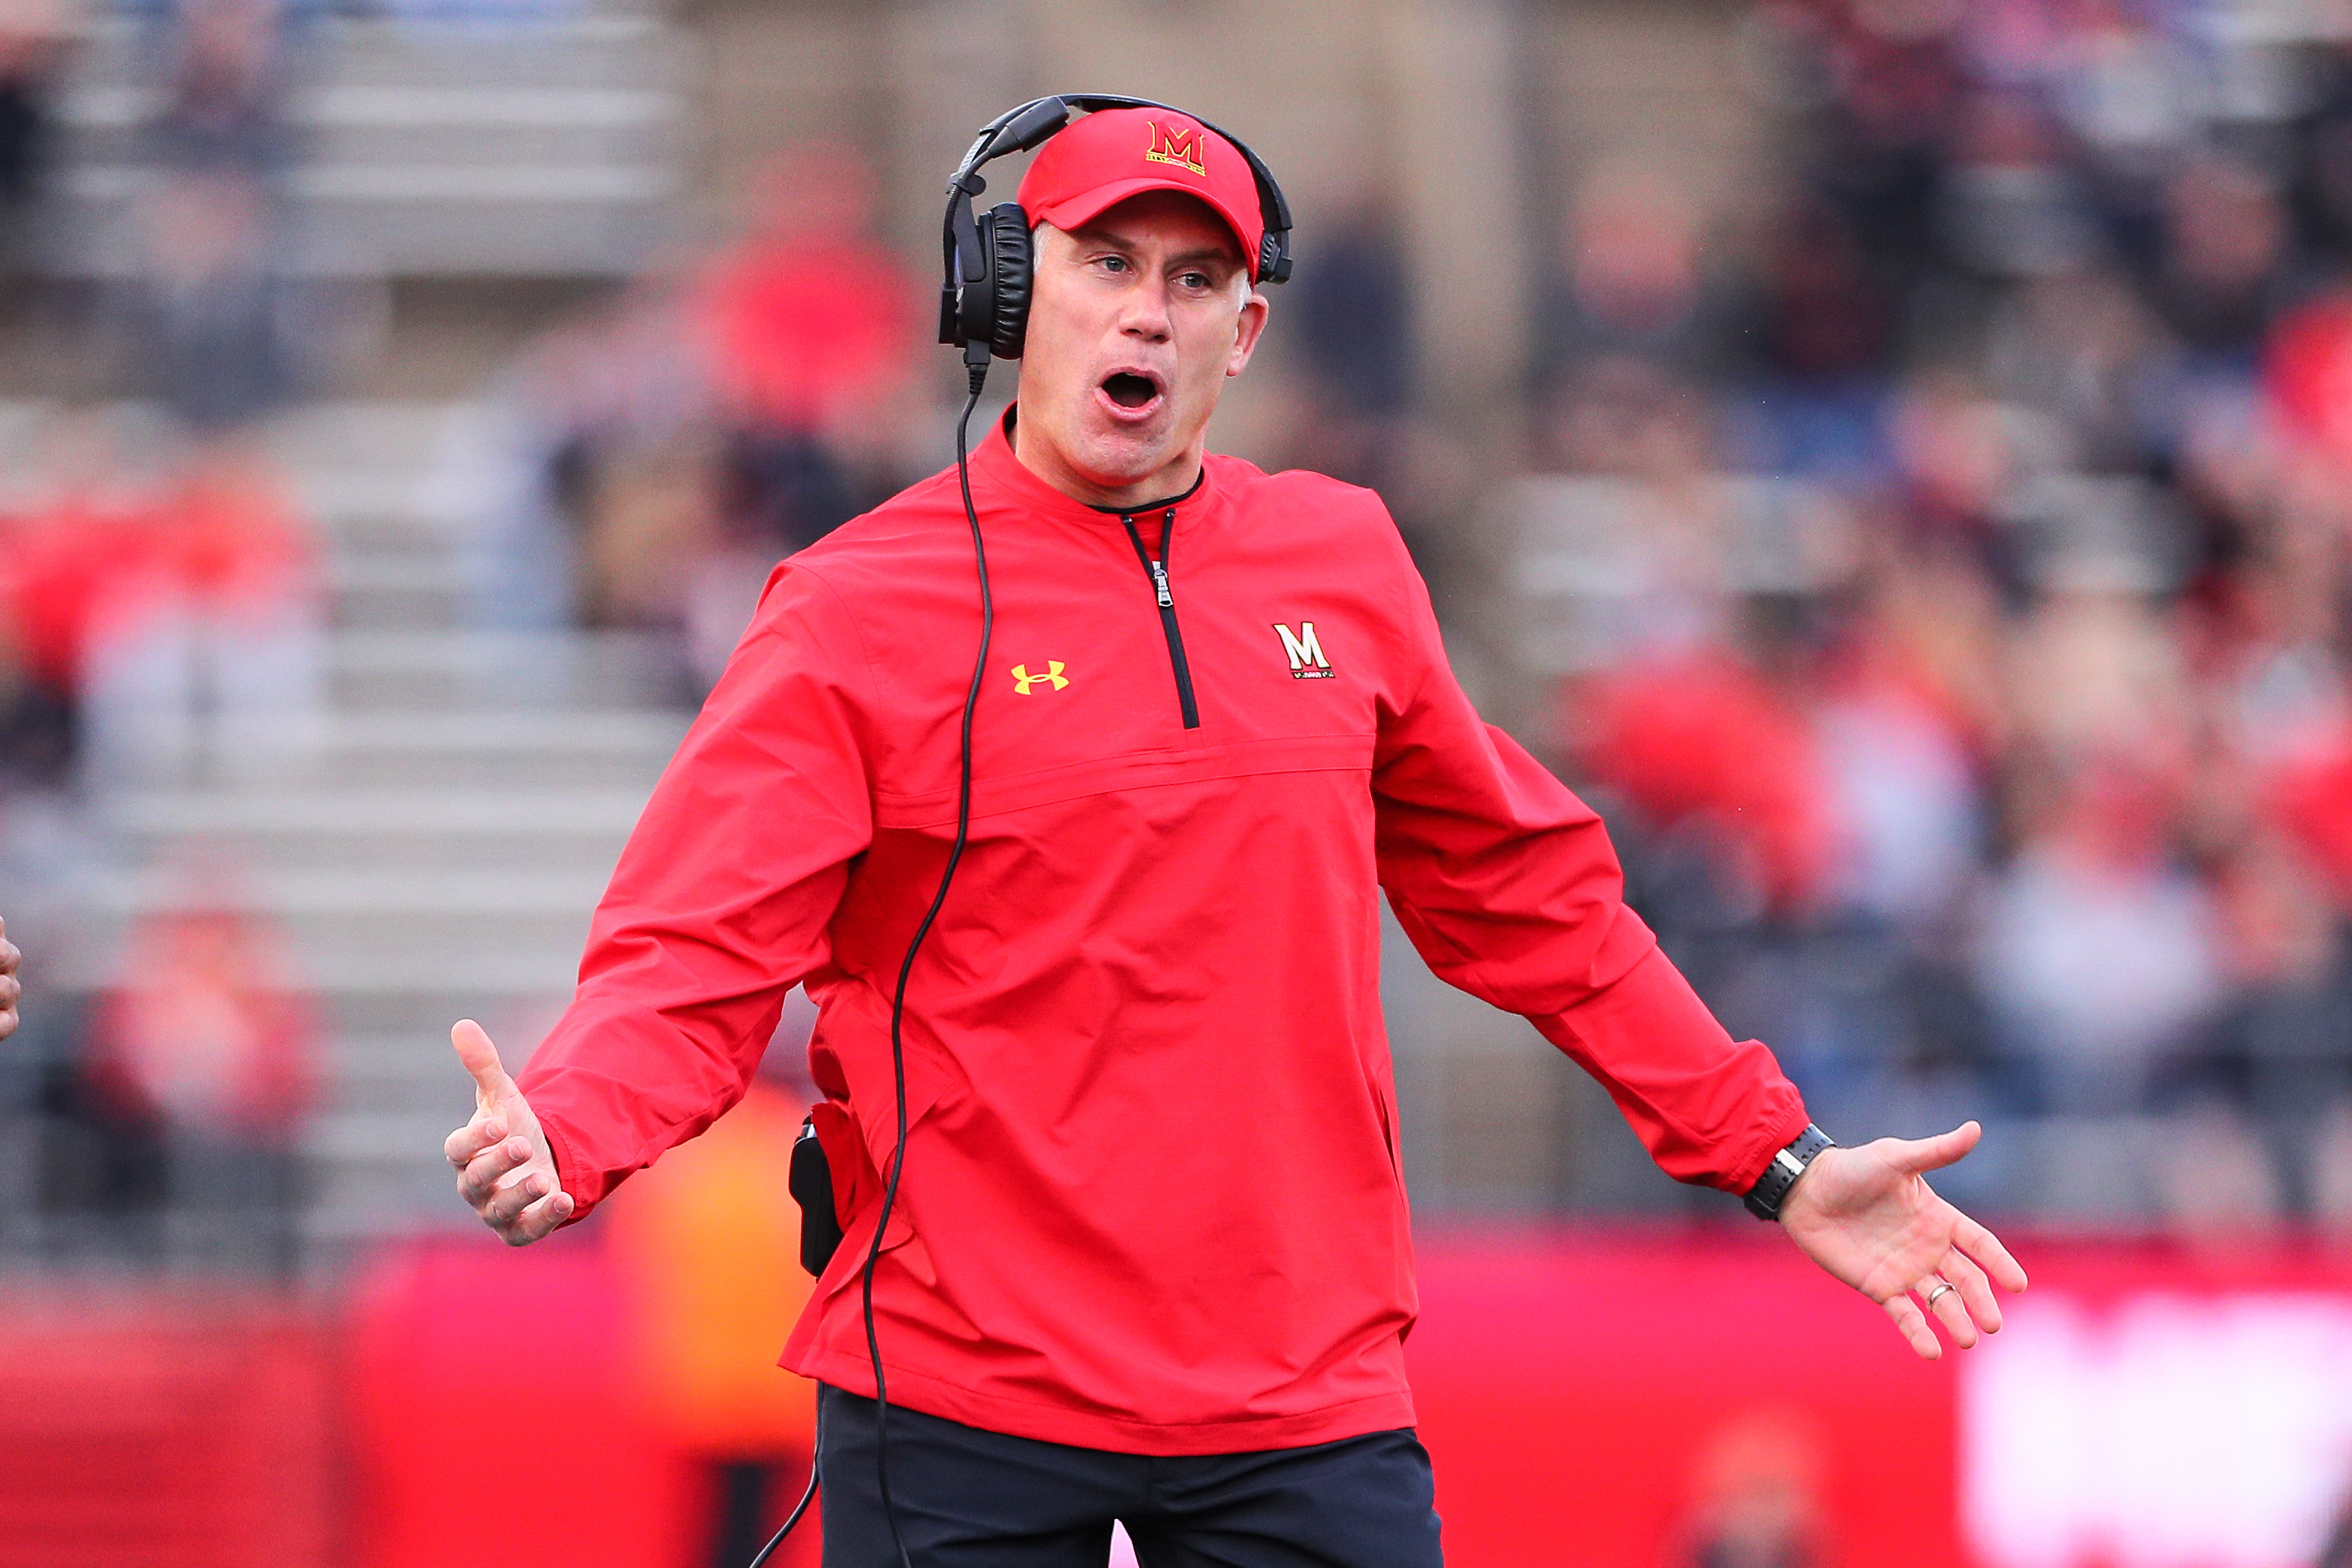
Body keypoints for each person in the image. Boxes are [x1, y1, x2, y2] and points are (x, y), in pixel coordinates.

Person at [443, 104, 2027, 1567]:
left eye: (1194, 280)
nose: (1148, 310)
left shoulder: (1341, 558)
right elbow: (699, 944)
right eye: (1106, 263)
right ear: (1011, 293)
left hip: (1302, 1394)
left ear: (1244, 332)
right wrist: (575, 1124)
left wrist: (1774, 1155)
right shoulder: (856, 607)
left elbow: (1532, 899)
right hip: (957, 1389)